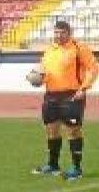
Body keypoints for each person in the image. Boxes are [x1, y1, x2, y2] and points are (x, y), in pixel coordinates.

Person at [32, 20, 96, 181]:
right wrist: (37, 78)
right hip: (51, 96)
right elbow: (43, 72)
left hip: (72, 95)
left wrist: (84, 88)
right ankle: (53, 165)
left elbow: (93, 67)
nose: (58, 35)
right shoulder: (49, 51)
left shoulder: (78, 48)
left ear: (69, 33)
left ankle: (76, 168)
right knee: (51, 130)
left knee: (73, 130)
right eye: (56, 32)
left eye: (62, 32)